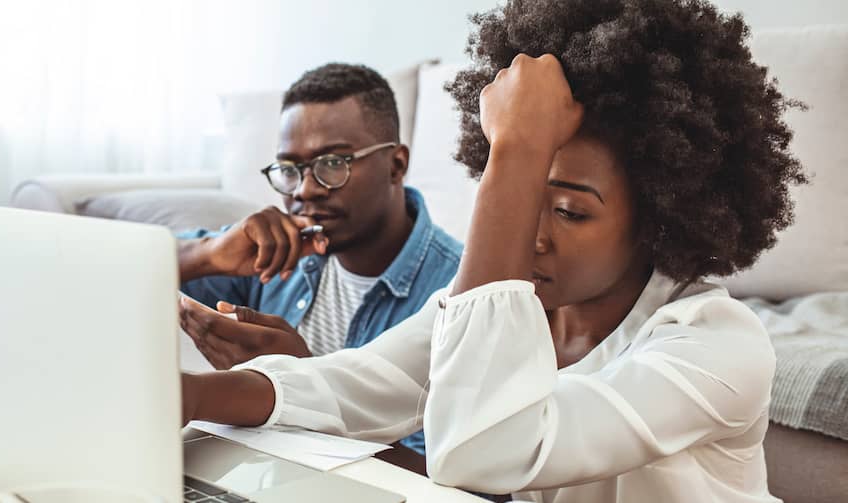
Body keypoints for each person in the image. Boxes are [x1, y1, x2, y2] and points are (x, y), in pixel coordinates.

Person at [176, 0, 806, 501]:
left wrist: (519, 150)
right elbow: (361, 384)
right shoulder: (527, 307)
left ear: (661, 215)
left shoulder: (716, 343)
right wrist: (193, 397)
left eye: (568, 210)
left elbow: (484, 450)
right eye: (518, 194)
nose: (529, 238)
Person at [176, 63, 464, 458]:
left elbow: (451, 479)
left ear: (396, 165)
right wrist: (208, 254)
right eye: (290, 170)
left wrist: (301, 385)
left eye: (333, 164)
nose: (306, 190)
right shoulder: (275, 251)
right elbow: (129, 267)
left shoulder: (458, 290)